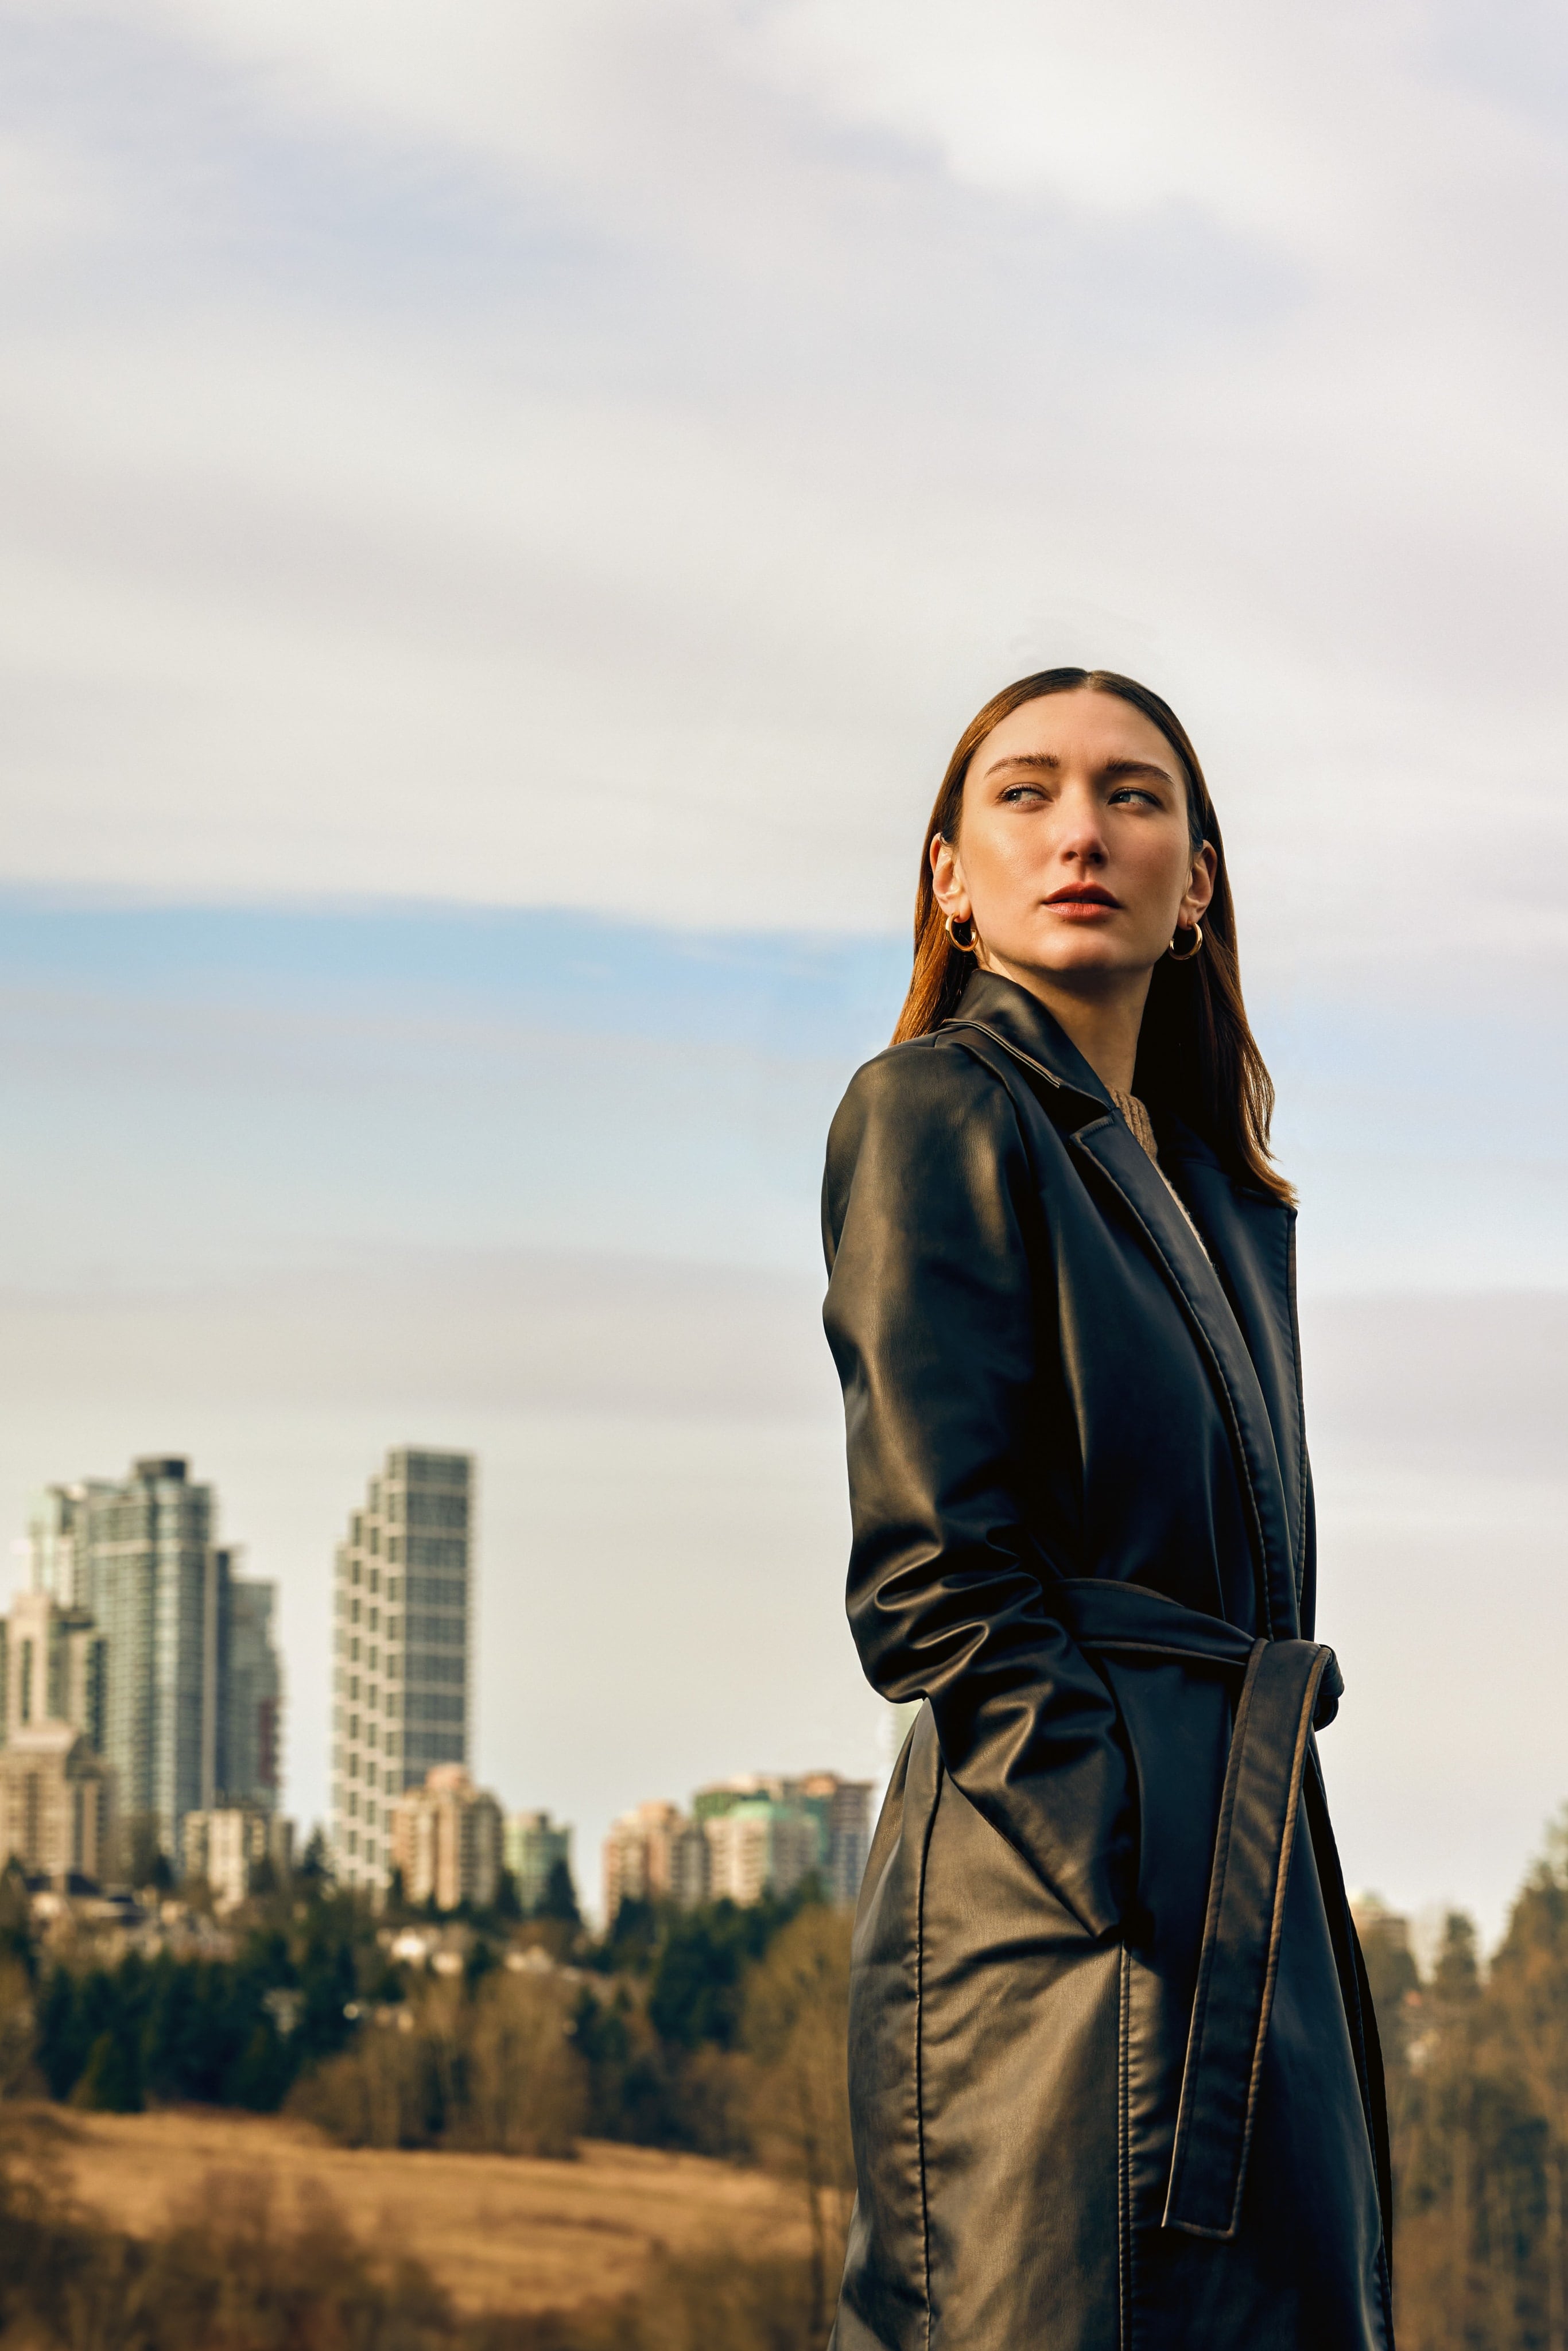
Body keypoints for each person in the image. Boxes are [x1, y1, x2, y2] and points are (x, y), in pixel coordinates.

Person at [821, 669, 1392, 2350]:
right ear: (950, 876)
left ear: (1194, 882)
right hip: (1059, 1924)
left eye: (1134, 797)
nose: (1082, 830)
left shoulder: (1214, 1196)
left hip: (1243, 1886)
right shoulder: (937, 1109)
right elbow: (935, 1582)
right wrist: (1131, 1874)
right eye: (1026, 793)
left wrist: (1223, 1896)